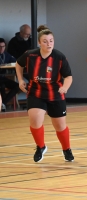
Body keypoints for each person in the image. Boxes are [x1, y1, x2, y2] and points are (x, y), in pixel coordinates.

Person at [15, 25, 74, 163]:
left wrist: (65, 87)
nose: (49, 44)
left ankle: (66, 149)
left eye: (51, 40)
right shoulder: (30, 54)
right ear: (39, 43)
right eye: (45, 41)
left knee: (60, 126)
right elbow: (18, 64)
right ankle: (40, 147)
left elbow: (69, 76)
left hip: (55, 93)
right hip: (36, 92)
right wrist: (20, 80)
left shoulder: (59, 57)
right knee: (35, 119)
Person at [0, 38, 19, 112]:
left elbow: (15, 62)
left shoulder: (6, 55)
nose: (1, 49)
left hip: (3, 78)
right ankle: (2, 104)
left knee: (17, 86)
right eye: (0, 47)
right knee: (2, 86)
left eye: (3, 46)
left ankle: (3, 103)